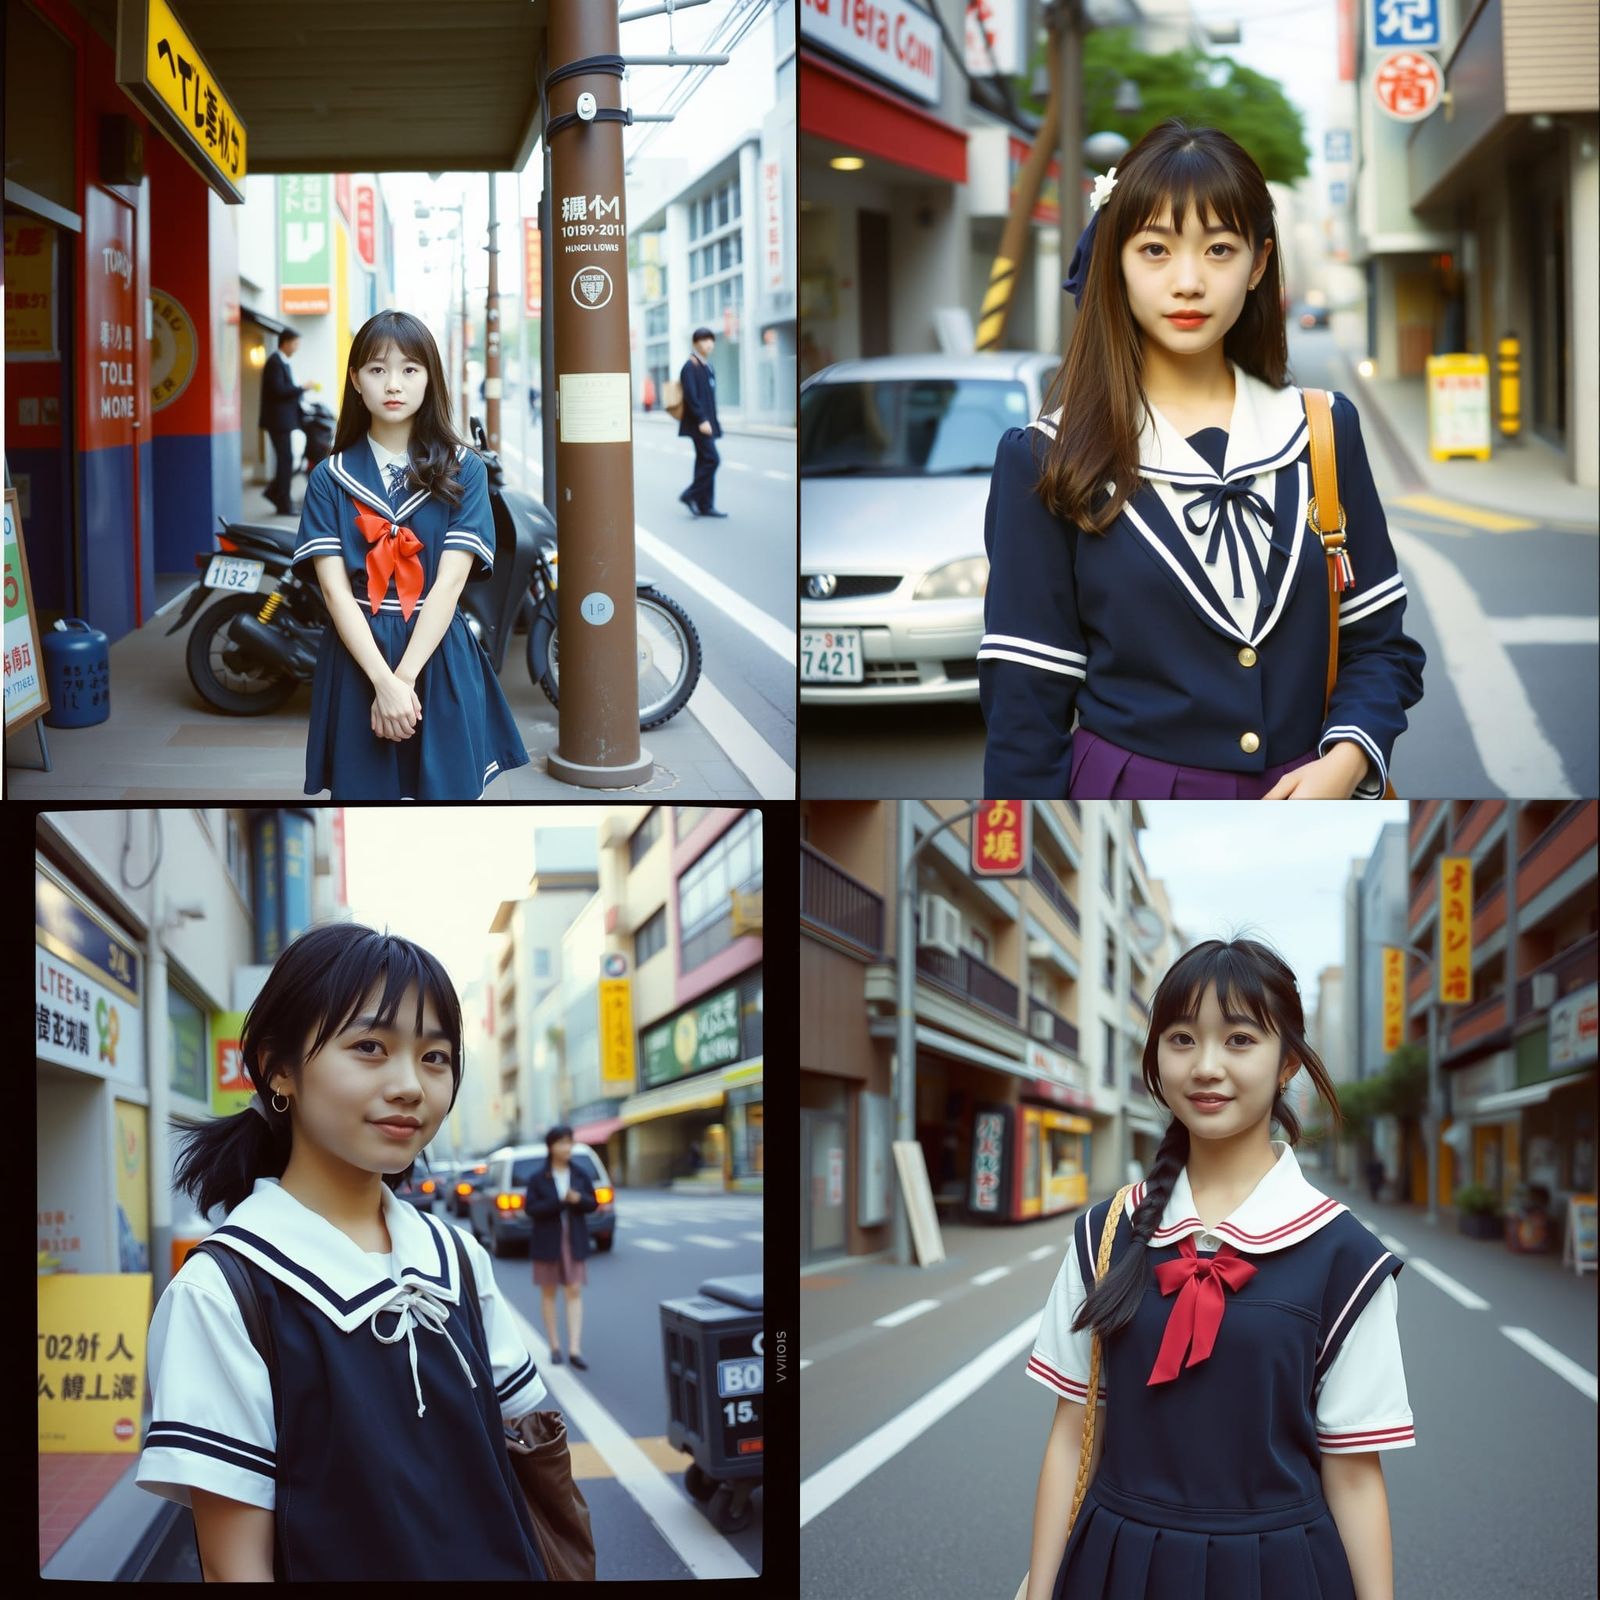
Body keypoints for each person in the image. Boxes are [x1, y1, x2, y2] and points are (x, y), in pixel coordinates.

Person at [980, 118, 1425, 798]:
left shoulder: (1323, 432)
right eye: (1155, 250)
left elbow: (1380, 645)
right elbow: (1026, 702)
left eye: (1219, 250)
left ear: (1259, 263)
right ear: (1116, 262)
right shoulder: (1046, 456)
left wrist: (1346, 761)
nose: (1188, 282)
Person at [136, 923, 553, 1581]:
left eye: (435, 1057)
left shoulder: (456, 1258)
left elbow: (523, 1463)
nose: (411, 1085)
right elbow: (233, 1570)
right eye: (369, 1047)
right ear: (279, 1070)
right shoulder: (224, 1292)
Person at [1023, 938, 1414, 1600]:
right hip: (1115, 1566)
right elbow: (1070, 1435)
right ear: (1156, 1057)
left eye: (1238, 1040)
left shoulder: (1345, 1257)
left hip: (1282, 1574)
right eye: (1181, 1039)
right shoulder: (1104, 1234)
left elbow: (1354, 1474)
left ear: (1287, 1060)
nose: (1206, 1067)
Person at [290, 308, 529, 800]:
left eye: (409, 369)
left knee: (448, 800)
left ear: (429, 378)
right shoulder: (329, 478)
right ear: (356, 380)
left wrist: (403, 680)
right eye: (377, 370)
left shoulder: (466, 469)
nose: (392, 384)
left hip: (437, 651)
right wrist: (382, 681)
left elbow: (450, 584)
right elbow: (335, 593)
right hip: (359, 658)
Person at [526, 1125, 598, 1370]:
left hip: (574, 1238)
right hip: (547, 1240)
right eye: (561, 1143)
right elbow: (531, 1209)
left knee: (574, 1290)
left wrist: (579, 1199)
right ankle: (555, 1346)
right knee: (549, 1292)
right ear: (551, 1146)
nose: (566, 1147)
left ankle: (575, 1348)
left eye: (569, 1142)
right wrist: (559, 1201)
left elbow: (593, 1203)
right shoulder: (538, 1178)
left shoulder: (580, 1173)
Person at [260, 329, 317, 515]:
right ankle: (282, 503)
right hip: (278, 421)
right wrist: (302, 388)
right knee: (286, 460)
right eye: (295, 343)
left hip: (284, 420)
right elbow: (278, 390)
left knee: (287, 460)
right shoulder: (275, 363)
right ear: (285, 343)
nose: (297, 347)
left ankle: (275, 493)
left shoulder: (282, 362)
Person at [676, 327, 727, 518]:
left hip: (708, 423)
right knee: (713, 459)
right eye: (705, 340)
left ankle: (705, 504)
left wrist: (714, 422)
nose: (709, 344)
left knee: (703, 460)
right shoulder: (690, 366)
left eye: (711, 340)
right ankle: (691, 494)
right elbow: (691, 396)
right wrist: (702, 420)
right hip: (699, 424)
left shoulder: (707, 366)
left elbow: (710, 399)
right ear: (695, 343)